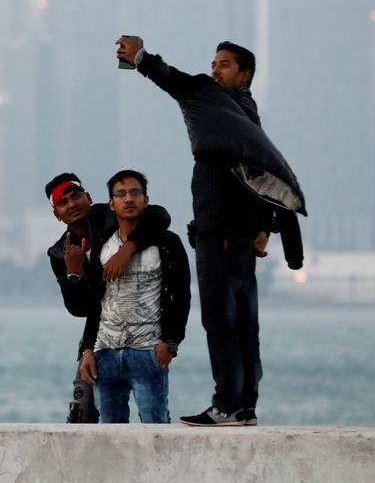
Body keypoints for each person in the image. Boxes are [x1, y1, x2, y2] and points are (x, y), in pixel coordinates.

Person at [116, 36, 305, 427]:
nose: (214, 70)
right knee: (243, 324)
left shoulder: (216, 103)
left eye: (224, 65)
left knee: (220, 321)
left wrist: (140, 58)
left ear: (244, 75)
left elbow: (178, 83)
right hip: (236, 236)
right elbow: (261, 176)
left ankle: (226, 406)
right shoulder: (245, 115)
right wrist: (265, 227)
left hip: (218, 232)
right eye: (214, 63)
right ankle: (245, 406)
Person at [45, 171, 173, 423]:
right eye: (63, 202)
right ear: (56, 215)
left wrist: (127, 249)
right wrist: (74, 273)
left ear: (88, 197)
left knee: (153, 416)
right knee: (82, 411)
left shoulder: (111, 215)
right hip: (99, 334)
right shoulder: (59, 253)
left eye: (76, 196)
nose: (72, 204)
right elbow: (79, 308)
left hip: (142, 331)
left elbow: (160, 215)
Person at [76, 170, 191, 424]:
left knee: (156, 429)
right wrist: (87, 349)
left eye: (135, 192)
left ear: (146, 200)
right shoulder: (102, 246)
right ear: (111, 204)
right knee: (110, 435)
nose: (128, 199)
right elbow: (96, 302)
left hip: (148, 351)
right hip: (105, 352)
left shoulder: (168, 243)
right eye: (121, 194)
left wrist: (170, 344)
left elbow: (181, 297)